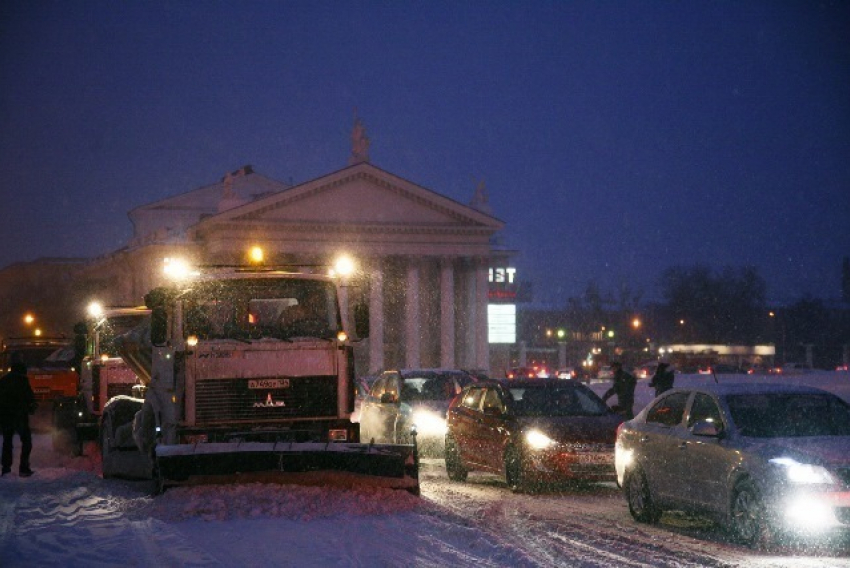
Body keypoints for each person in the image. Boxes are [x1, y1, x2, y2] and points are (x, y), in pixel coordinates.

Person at [0, 351, 36, 477]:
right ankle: (24, 467)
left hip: (6, 416)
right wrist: (31, 408)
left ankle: (6, 468)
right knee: (26, 441)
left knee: (7, 442)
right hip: (20, 416)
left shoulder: (4, 380)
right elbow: (30, 398)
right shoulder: (23, 381)